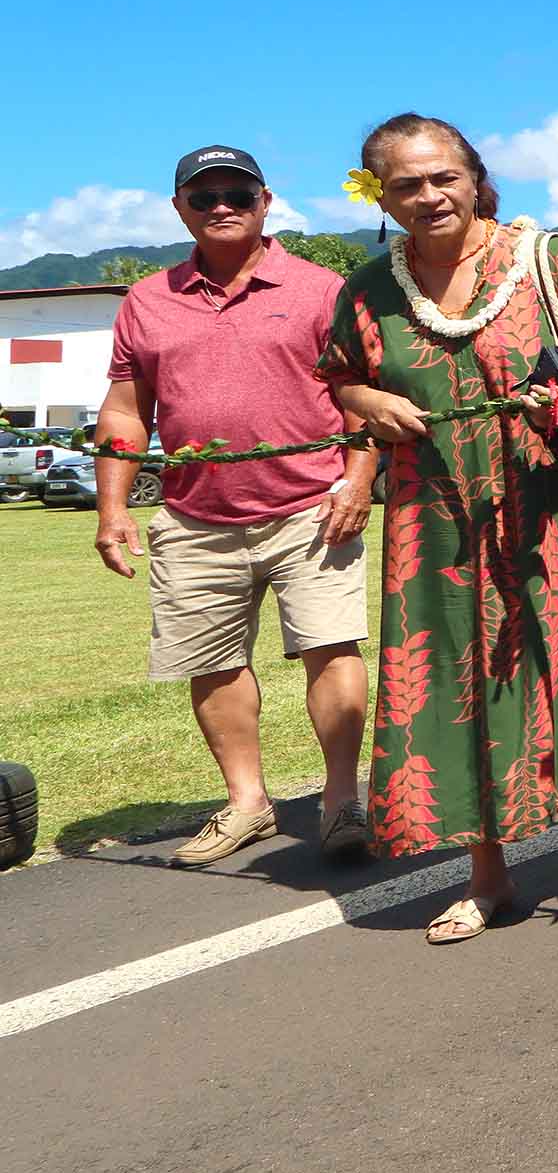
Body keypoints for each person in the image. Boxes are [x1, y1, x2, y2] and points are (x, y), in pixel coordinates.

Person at [321, 115, 558, 942]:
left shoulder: (543, 260)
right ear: (380, 193)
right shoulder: (370, 289)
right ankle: (489, 876)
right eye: (405, 184)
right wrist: (368, 402)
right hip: (433, 521)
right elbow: (342, 378)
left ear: (475, 176)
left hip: (554, 506)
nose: (429, 195)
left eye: (444, 177)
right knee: (456, 680)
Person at [94, 145, 376, 866]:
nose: (221, 204)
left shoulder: (321, 287)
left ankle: (342, 801)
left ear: (266, 199)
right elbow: (127, 411)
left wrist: (359, 476)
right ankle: (248, 802)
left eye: (237, 193)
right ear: (179, 206)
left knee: (330, 647)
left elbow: (358, 397)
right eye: (203, 194)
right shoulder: (148, 298)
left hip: (313, 508)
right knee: (213, 663)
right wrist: (112, 507)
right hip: (194, 517)